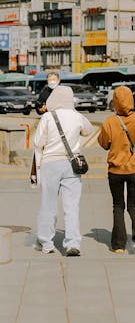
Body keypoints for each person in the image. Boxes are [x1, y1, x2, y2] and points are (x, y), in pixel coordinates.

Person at [34, 85, 94, 256]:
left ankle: (46, 243)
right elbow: (89, 130)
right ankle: (72, 243)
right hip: (72, 164)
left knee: (48, 204)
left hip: (50, 164)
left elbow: (38, 142)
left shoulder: (47, 117)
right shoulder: (77, 116)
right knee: (72, 206)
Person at [98, 85, 135, 254]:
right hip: (134, 170)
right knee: (134, 205)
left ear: (115, 101)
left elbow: (103, 143)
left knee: (118, 206)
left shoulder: (110, 121)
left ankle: (119, 245)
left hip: (115, 171)